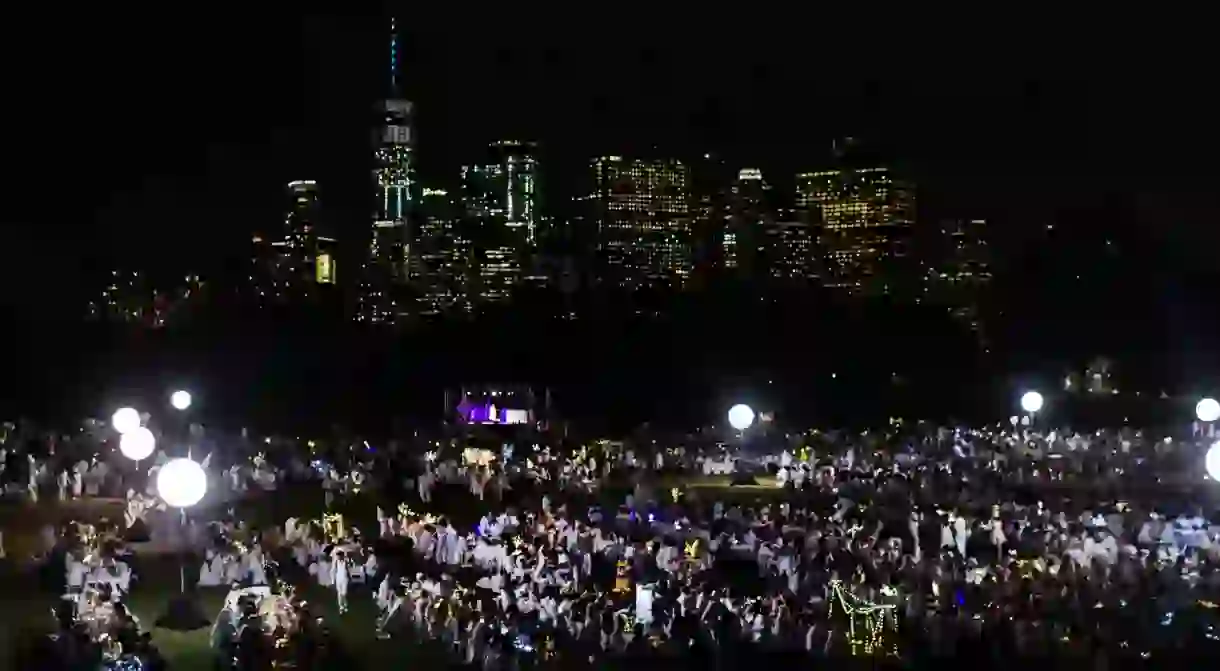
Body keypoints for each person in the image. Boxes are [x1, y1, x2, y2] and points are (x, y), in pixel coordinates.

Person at [332, 550, 350, 614]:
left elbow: (347, 570)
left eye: (339, 556)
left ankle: (345, 604)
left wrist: (349, 577)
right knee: (339, 593)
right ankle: (341, 607)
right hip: (338, 579)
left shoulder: (345, 562)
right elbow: (334, 571)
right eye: (337, 556)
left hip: (344, 579)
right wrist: (333, 580)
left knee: (344, 593)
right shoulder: (336, 562)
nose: (338, 557)